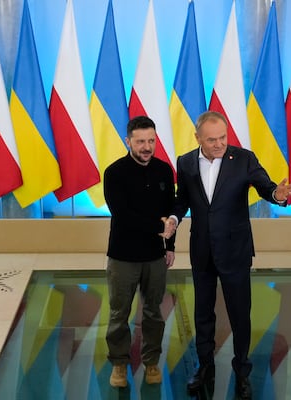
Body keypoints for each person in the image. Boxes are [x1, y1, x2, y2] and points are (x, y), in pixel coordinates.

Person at [163, 111, 291, 399]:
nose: (219, 143)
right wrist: (173, 218)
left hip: (235, 250)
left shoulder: (244, 158)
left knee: (239, 314)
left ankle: (242, 370)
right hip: (202, 250)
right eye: (212, 140)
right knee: (203, 313)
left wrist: (277, 195)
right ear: (198, 138)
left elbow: (265, 187)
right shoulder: (185, 163)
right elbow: (182, 200)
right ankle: (205, 366)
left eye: (223, 137)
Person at [104, 115, 176, 388]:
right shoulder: (114, 172)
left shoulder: (164, 170)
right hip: (123, 256)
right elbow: (122, 215)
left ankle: (151, 362)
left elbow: (171, 213)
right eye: (141, 141)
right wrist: (158, 228)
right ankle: (120, 364)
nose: (147, 146)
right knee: (119, 313)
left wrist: (169, 246)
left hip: (155, 257)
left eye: (151, 141)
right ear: (128, 141)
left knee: (154, 313)